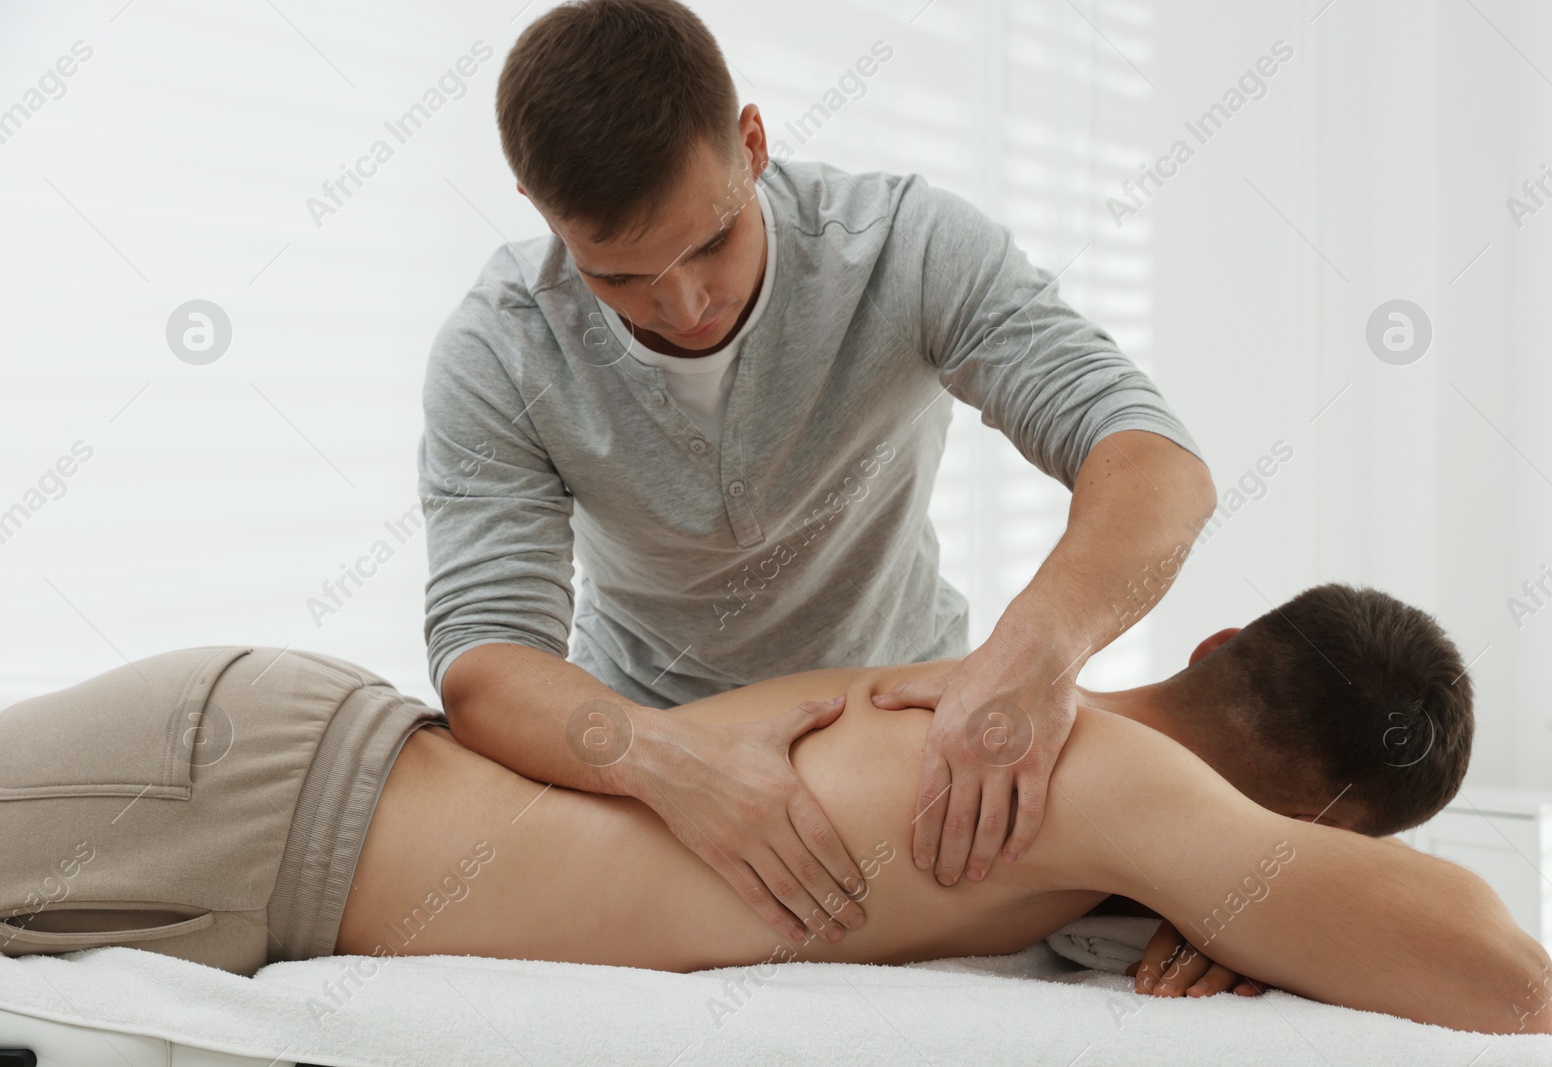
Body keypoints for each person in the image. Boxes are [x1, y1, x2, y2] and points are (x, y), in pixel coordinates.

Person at [419, 0, 1218, 954]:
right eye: (619, 278)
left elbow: (1151, 459)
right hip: (647, 759)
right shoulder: (499, 345)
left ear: (752, 142)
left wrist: (1035, 655)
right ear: (539, 210)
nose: (684, 305)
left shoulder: (903, 247)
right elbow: (483, 656)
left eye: (710, 242)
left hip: (908, 733)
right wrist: (665, 762)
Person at [2, 584, 1552, 1034]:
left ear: (1218, 642)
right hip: (265, 787)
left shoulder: (1044, 782)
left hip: (277, 820)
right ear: (1334, 834)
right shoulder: (1101, 771)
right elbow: (1512, 978)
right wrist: (1267, 906)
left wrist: (1223, 917)